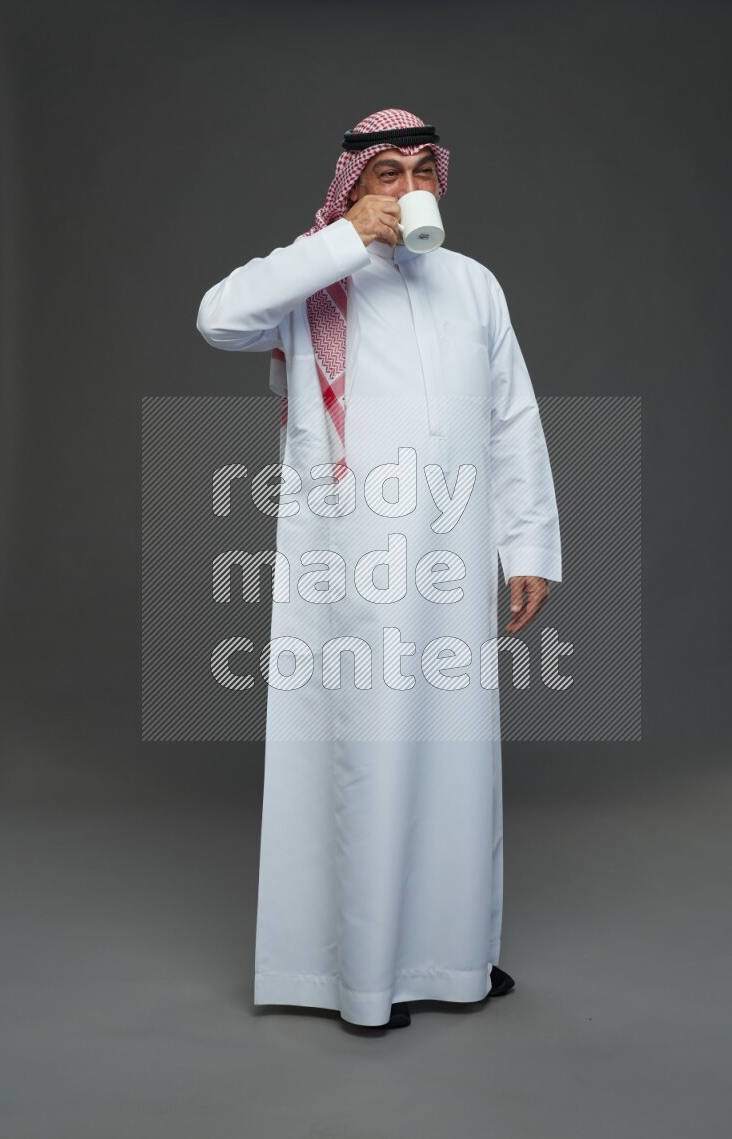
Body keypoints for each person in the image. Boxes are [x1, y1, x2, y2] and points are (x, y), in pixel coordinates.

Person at [196, 108, 562, 1031]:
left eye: (419, 171)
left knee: (455, 756)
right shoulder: (314, 277)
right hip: (349, 562)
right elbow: (218, 319)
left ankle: (453, 957)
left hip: (452, 558)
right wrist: (342, 240)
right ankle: (360, 979)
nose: (405, 189)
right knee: (364, 751)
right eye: (384, 174)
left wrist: (527, 546)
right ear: (352, 186)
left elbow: (512, 418)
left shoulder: (472, 284)